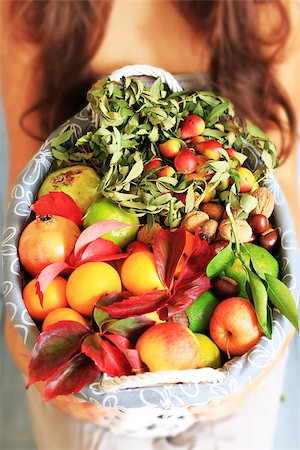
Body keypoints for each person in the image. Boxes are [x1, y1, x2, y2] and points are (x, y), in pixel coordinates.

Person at [1, 1, 299, 449]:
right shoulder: (32, 11)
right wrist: (21, 342)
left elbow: (283, 180)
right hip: (92, 385)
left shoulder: (267, 8)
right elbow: (24, 188)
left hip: (235, 369)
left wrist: (263, 366)